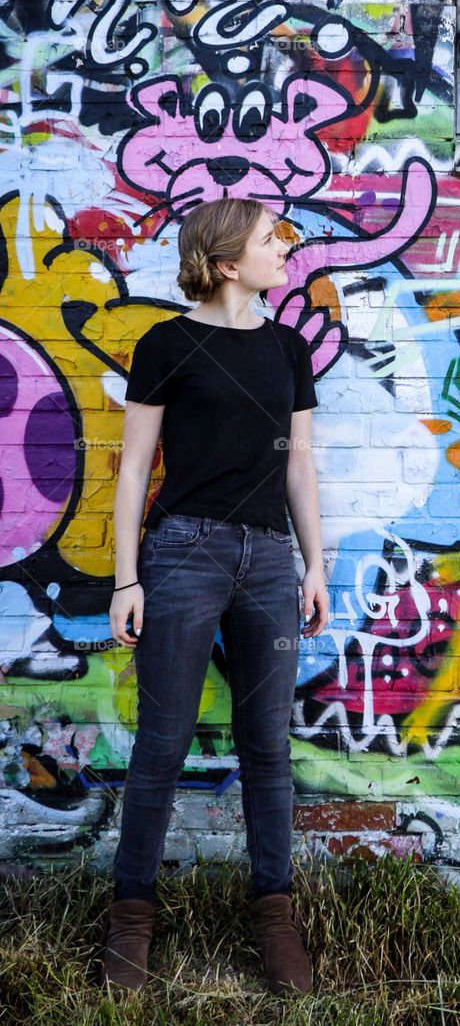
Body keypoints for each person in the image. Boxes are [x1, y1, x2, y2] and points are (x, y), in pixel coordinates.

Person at [99, 197, 329, 997]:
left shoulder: (289, 349)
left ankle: (274, 915)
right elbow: (133, 469)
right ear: (227, 262)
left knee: (266, 747)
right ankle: (131, 919)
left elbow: (298, 464)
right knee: (160, 747)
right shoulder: (165, 344)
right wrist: (127, 578)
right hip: (181, 555)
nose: (286, 251)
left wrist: (314, 565)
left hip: (267, 562)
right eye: (274, 240)